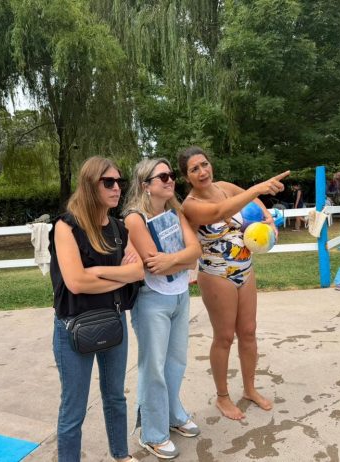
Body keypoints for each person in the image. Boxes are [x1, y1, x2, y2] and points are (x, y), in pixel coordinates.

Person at [178, 146, 289, 421]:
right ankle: (222, 397)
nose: (202, 172)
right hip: (216, 275)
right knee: (225, 337)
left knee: (248, 332)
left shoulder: (225, 187)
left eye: (204, 164)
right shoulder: (190, 205)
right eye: (194, 169)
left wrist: (268, 220)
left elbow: (252, 202)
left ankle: (250, 389)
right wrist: (257, 188)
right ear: (187, 177)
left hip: (245, 269)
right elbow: (219, 211)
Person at [49, 156, 144, 462]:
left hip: (113, 319)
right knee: (73, 408)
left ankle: (121, 454)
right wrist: (120, 276)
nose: (117, 188)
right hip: (74, 325)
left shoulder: (118, 228)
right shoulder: (66, 226)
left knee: (115, 396)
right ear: (90, 185)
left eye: (119, 181)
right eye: (108, 182)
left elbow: (138, 271)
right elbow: (76, 283)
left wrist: (100, 273)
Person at [123, 158, 202, 459]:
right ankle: (153, 433)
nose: (170, 180)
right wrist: (182, 260)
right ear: (146, 185)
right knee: (153, 366)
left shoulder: (175, 212)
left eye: (171, 176)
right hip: (151, 299)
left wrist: (173, 259)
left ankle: (173, 414)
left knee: (176, 361)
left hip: (180, 295)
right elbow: (154, 265)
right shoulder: (135, 219)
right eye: (163, 176)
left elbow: (196, 252)